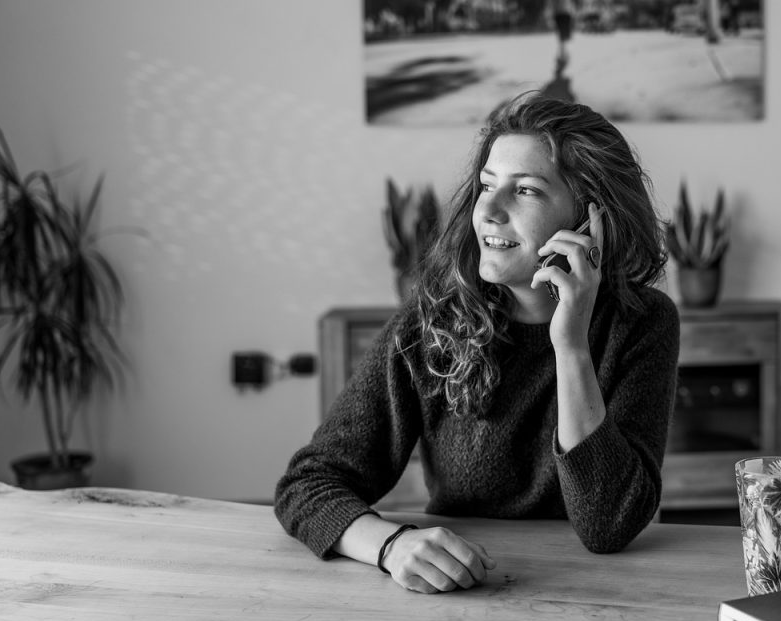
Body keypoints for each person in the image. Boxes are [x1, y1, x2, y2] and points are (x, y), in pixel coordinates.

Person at [275, 92, 680, 594]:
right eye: (486, 186)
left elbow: (608, 527)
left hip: (608, 596)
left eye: (526, 191)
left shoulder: (642, 323)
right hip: (465, 589)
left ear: (591, 218)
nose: (488, 210)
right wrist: (391, 545)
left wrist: (570, 345)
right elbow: (308, 485)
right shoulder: (429, 326)